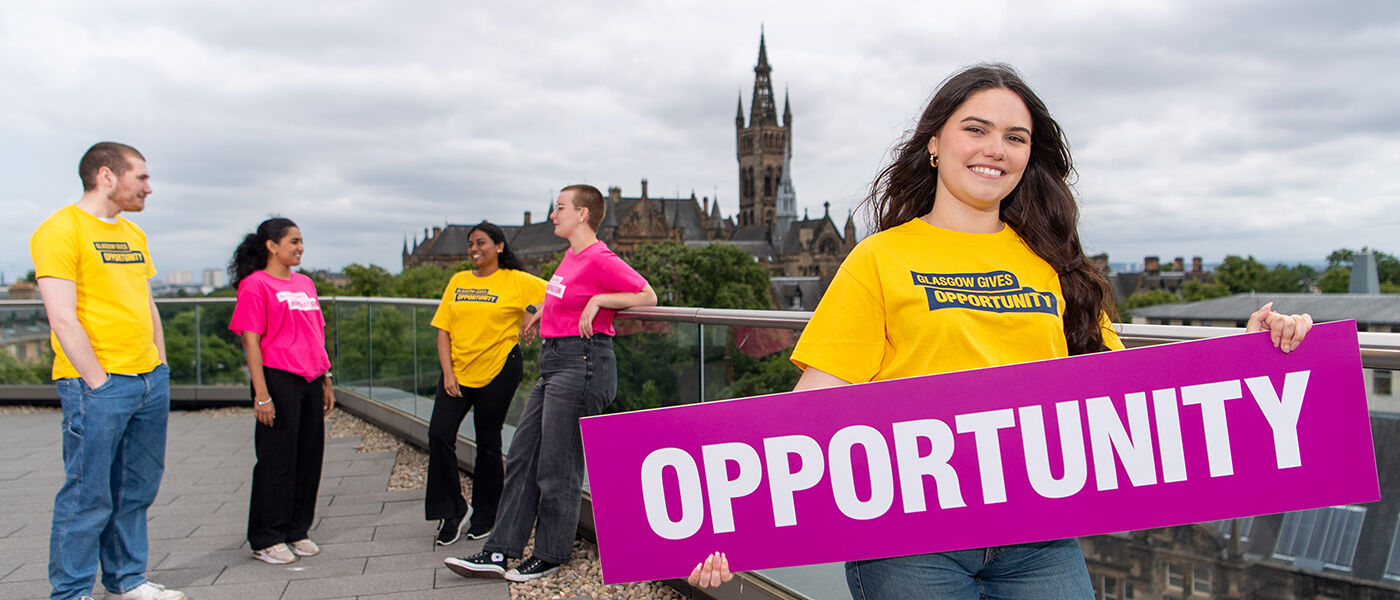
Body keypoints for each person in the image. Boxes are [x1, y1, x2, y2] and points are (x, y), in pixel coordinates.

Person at [687, 64, 1313, 598]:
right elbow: (818, 399)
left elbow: (1126, 397)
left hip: (1040, 540)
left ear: (1027, 156)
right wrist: (736, 521)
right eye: (976, 129)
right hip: (910, 541)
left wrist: (1255, 353)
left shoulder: (1058, 262)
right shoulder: (877, 259)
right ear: (935, 142)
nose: (996, 148)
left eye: (1015, 137)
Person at [445, 184, 658, 582]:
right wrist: (542, 308)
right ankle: (498, 551)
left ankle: (549, 553)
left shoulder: (600, 257)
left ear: (582, 214)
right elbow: (563, 292)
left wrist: (600, 302)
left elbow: (648, 295)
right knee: (523, 456)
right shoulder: (571, 256)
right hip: (555, 362)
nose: (553, 215)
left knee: (558, 466)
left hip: (583, 362)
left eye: (560, 208)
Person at [32, 142, 186, 600]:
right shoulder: (60, 230)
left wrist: (159, 363)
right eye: (141, 177)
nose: (149, 188)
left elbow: (145, 302)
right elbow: (61, 316)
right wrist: (98, 381)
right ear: (106, 176)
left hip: (148, 378)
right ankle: (72, 591)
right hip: (97, 384)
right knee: (87, 494)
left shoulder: (132, 234)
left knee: (136, 488)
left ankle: (127, 579)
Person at [426, 221, 546, 546]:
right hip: (457, 371)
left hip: (499, 369)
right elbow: (443, 330)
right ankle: (453, 511)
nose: (474, 249)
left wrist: (532, 313)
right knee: (438, 435)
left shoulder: (516, 280)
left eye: (481, 243)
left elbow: (558, 293)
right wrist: (448, 373)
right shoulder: (458, 280)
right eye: (470, 245)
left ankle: (486, 514)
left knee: (488, 444)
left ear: (499, 246)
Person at [227, 217, 335, 565]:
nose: (300, 247)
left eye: (302, 241)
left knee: (308, 457)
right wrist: (261, 393)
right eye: (293, 241)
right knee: (277, 460)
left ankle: (296, 530)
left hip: (311, 377)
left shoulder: (305, 283)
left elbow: (316, 332)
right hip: (278, 377)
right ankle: (266, 537)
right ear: (272, 245)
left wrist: (327, 377)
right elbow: (251, 340)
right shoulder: (256, 285)